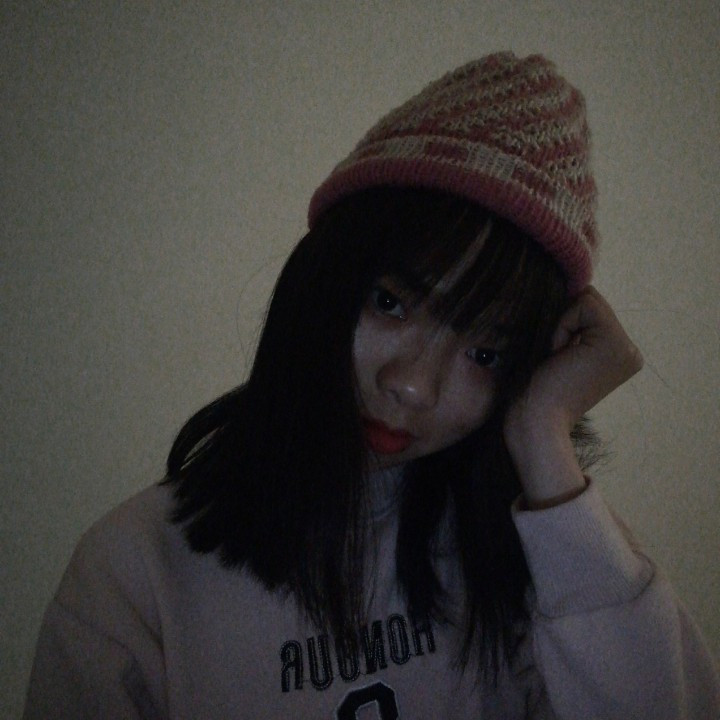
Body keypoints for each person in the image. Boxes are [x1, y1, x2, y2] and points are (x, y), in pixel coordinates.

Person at [23, 52, 719, 719]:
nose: (413, 387)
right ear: (321, 280)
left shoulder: (541, 557)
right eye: (390, 302)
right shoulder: (137, 571)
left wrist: (543, 432)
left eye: (485, 352)